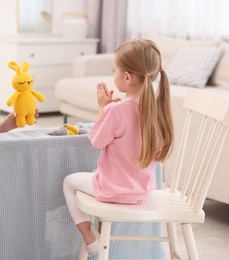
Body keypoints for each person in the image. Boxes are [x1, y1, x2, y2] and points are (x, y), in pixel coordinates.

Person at [63, 39, 174, 255]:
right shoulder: (157, 110)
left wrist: (103, 109)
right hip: (141, 192)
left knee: (69, 182)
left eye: (114, 70)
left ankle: (89, 235)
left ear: (127, 77)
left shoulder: (116, 111)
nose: (113, 75)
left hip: (112, 190)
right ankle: (103, 230)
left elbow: (96, 142)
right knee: (98, 172)